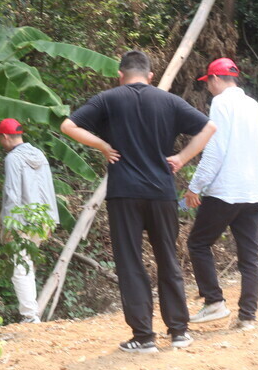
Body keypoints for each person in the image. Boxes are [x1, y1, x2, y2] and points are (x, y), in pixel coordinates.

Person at [60, 50, 216, 353]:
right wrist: (182, 158)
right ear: (150, 76)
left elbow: (68, 126)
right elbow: (209, 127)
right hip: (161, 192)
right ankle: (179, 332)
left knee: (131, 263)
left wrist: (103, 145)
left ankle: (144, 337)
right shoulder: (168, 100)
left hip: (124, 193)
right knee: (167, 258)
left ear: (120, 75)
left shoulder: (109, 98)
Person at [185, 58, 258, 331]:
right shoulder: (254, 106)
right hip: (253, 190)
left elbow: (215, 149)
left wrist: (195, 186)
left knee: (198, 243)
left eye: (208, 82)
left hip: (225, 190)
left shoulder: (221, 103)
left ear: (216, 79)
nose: (208, 87)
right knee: (249, 256)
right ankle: (248, 316)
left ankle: (214, 302)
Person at [0, 118, 59, 324]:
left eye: (0, 139)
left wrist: (9, 224)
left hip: (22, 221)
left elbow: (12, 193)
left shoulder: (13, 159)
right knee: (27, 263)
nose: (0, 143)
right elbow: (49, 188)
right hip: (42, 218)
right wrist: (51, 220)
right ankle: (31, 312)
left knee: (20, 267)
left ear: (5, 137)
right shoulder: (39, 154)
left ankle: (30, 315)